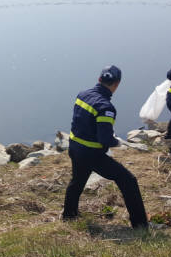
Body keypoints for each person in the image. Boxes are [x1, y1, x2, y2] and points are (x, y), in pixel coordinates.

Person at [62, 66, 149, 229]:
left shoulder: (82, 94)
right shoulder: (106, 108)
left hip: (75, 148)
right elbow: (105, 139)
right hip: (92, 154)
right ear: (117, 84)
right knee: (128, 180)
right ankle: (141, 225)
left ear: (99, 79)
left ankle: (69, 215)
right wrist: (117, 142)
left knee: (77, 181)